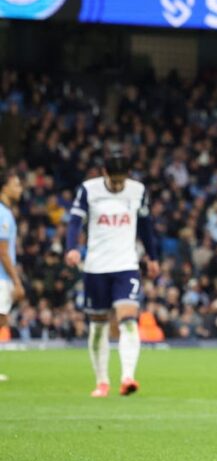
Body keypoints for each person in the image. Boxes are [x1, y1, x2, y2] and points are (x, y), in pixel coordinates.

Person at [65, 150, 161, 397]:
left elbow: (146, 226)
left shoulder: (137, 191)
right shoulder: (89, 190)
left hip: (126, 265)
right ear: (105, 173)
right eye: (114, 180)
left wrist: (152, 256)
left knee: (128, 318)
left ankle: (128, 376)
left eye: (122, 180)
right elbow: (75, 221)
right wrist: (72, 248)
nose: (118, 185)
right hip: (96, 266)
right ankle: (102, 381)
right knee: (98, 327)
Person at [0, 169, 25, 382]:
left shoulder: (6, 212)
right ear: (5, 187)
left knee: (3, 319)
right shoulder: (3, 214)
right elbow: (2, 251)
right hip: (1, 276)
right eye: (16, 184)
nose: (20, 188)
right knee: (1, 319)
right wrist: (16, 281)